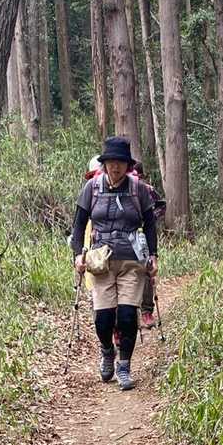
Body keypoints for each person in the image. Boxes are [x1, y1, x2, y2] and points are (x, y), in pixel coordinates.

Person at [70, 137, 159, 390]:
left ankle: (124, 366)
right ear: (105, 164)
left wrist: (153, 255)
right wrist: (78, 254)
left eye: (120, 162)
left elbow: (150, 224)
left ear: (128, 165)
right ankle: (107, 351)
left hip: (132, 260)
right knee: (104, 318)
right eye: (111, 162)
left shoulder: (138, 189)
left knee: (128, 316)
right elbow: (79, 224)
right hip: (101, 261)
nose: (115, 167)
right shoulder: (92, 188)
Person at [82, 152, 165, 328]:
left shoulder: (141, 188)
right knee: (102, 295)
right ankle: (109, 323)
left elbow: (156, 211)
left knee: (144, 276)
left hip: (134, 245)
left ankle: (145, 310)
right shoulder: (93, 188)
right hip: (100, 245)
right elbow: (81, 221)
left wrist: (150, 245)